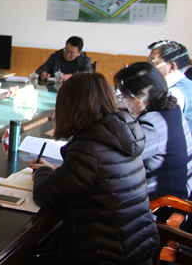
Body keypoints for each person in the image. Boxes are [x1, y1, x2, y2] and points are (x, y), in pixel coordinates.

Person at [30, 73, 159, 265]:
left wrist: (42, 171)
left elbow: (44, 196)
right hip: (137, 248)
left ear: (70, 107)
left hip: (105, 256)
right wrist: (58, 171)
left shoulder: (88, 148)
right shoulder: (120, 132)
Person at [114, 62, 192, 200]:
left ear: (138, 98)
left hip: (163, 204)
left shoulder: (153, 124)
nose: (122, 101)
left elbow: (118, 157)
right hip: (180, 193)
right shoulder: (172, 110)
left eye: (123, 97)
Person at [148, 40, 192, 129]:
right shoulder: (189, 84)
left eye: (153, 63)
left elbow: (157, 128)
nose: (149, 69)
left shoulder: (173, 94)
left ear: (172, 66)